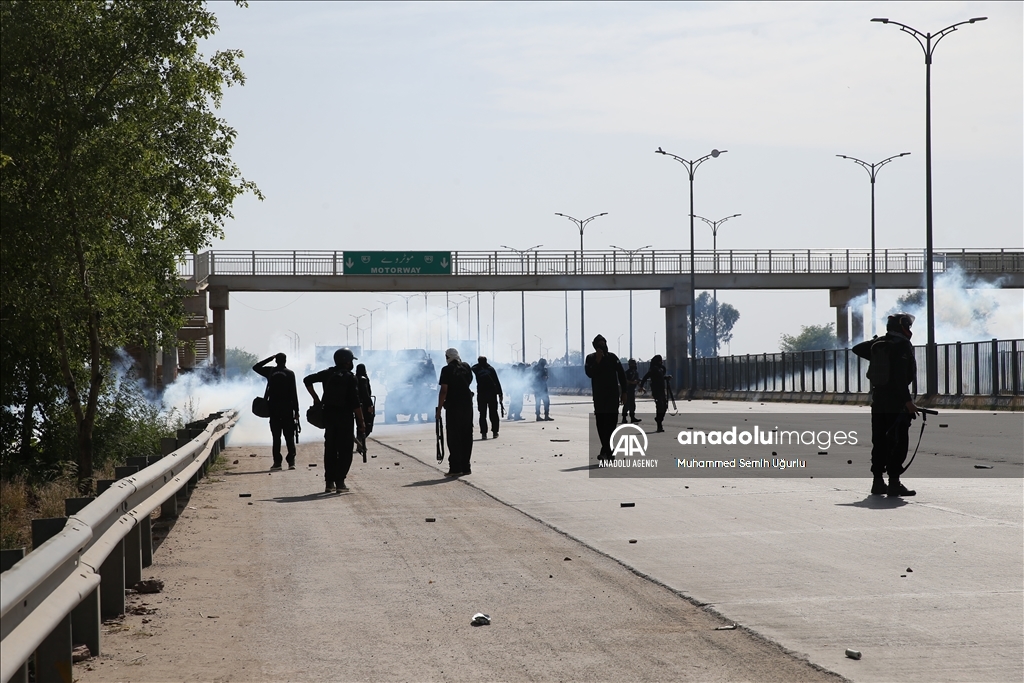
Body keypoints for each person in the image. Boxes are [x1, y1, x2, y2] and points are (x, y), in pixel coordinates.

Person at [853, 312, 919, 497]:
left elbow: (857, 348)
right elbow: (899, 377)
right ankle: (894, 483)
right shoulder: (902, 345)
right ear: (903, 326)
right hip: (896, 402)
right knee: (898, 441)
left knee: (880, 440)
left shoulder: (881, 344)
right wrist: (908, 402)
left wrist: (878, 348)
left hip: (879, 400)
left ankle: (877, 482)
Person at [304, 348, 366, 493]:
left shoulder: (328, 373)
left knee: (330, 449)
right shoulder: (351, 377)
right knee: (345, 451)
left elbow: (307, 380)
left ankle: (329, 483)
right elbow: (355, 403)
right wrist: (361, 423)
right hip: (345, 418)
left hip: (329, 417)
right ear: (347, 361)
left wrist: (316, 399)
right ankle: (340, 483)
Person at [252, 353, 300, 470]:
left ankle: (277, 463)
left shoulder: (270, 372)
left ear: (276, 361)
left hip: (274, 410)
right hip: (287, 410)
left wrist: (270, 358)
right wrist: (296, 411)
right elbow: (294, 394)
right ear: (285, 361)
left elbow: (256, 367)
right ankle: (291, 462)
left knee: (276, 437)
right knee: (289, 437)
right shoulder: (290, 373)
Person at [584, 334, 627, 461]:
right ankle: (608, 451)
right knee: (601, 424)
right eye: (599, 344)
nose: (602, 346)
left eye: (603, 343)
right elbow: (590, 373)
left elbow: (621, 374)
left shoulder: (612, 357)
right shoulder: (590, 358)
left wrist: (624, 392)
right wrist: (597, 360)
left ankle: (605, 451)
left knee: (611, 423)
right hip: (599, 397)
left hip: (613, 396)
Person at [436, 348, 474, 476]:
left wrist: (439, 409)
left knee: (454, 437)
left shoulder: (446, 370)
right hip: (467, 405)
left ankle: (455, 468)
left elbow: (444, 391)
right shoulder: (466, 366)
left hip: (454, 406)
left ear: (447, 357)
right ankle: (466, 467)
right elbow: (469, 382)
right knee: (466, 436)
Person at [471, 356, 503, 439]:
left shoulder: (478, 369)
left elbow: (496, 381)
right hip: (489, 394)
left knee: (485, 414)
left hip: (485, 394)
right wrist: (500, 393)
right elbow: (497, 381)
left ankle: (487, 432)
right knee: (490, 413)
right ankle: (490, 432)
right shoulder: (490, 369)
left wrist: (500, 393)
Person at [639, 355, 670, 433]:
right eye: (660, 361)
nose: (661, 362)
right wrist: (641, 386)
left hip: (662, 391)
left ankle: (658, 419)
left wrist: (666, 378)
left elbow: (661, 377)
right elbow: (645, 377)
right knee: (660, 407)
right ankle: (659, 424)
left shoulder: (660, 369)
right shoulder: (653, 369)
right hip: (656, 391)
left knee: (665, 407)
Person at [355, 363, 374, 460]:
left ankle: (360, 442)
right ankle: (360, 442)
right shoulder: (363, 379)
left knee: (359, 425)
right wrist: (370, 405)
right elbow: (365, 394)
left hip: (357, 405)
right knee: (368, 425)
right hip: (364, 405)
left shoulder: (354, 378)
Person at [622, 358, 642, 425]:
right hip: (627, 390)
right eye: (633, 364)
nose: (634, 365)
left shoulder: (636, 372)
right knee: (626, 404)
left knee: (632, 404)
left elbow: (637, 381)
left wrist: (641, 387)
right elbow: (625, 380)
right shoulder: (627, 372)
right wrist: (631, 382)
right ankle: (624, 417)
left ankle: (632, 417)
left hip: (632, 390)